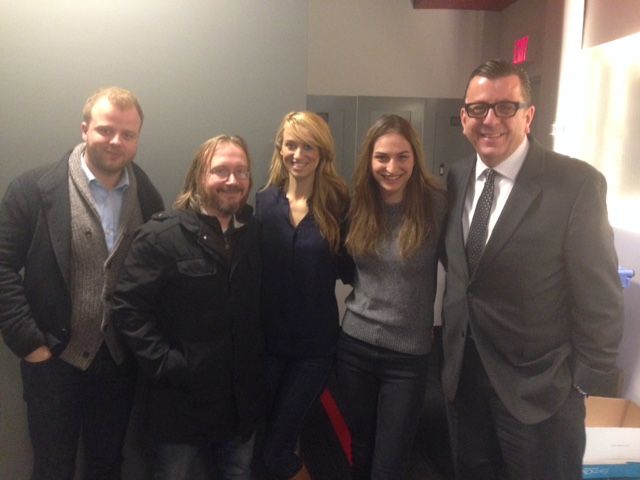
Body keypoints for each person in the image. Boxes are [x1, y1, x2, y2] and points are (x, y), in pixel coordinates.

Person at [441, 59, 624, 480]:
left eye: (505, 107)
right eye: (478, 108)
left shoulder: (575, 184)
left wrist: (583, 383)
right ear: (464, 117)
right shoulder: (457, 177)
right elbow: (462, 273)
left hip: (540, 394)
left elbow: (600, 297)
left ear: (529, 115)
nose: (490, 120)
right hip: (463, 380)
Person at [0, 87, 164, 479]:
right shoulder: (32, 190)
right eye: (106, 130)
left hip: (120, 363)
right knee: (52, 469)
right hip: (53, 360)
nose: (116, 141)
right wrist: (30, 342)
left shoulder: (149, 198)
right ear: (85, 129)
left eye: (128, 134)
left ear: (137, 139)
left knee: (107, 467)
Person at [110, 135, 264, 480]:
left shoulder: (254, 234)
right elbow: (127, 308)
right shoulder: (161, 236)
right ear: (199, 176)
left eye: (241, 171)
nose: (232, 180)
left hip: (240, 403)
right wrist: (166, 363)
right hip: (179, 403)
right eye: (221, 170)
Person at [335, 114, 446, 480]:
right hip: (355, 346)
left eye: (402, 157)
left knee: (390, 462)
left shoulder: (436, 205)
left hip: (407, 356)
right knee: (361, 449)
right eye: (382, 157)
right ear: (370, 160)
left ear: (415, 158)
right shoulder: (357, 204)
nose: (391, 167)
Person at [256, 111, 350, 480]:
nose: (299, 154)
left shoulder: (340, 205)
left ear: (322, 152)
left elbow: (355, 268)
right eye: (291, 145)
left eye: (308, 146)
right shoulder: (263, 203)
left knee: (278, 450)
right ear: (280, 149)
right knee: (271, 441)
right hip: (267, 347)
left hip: (314, 350)